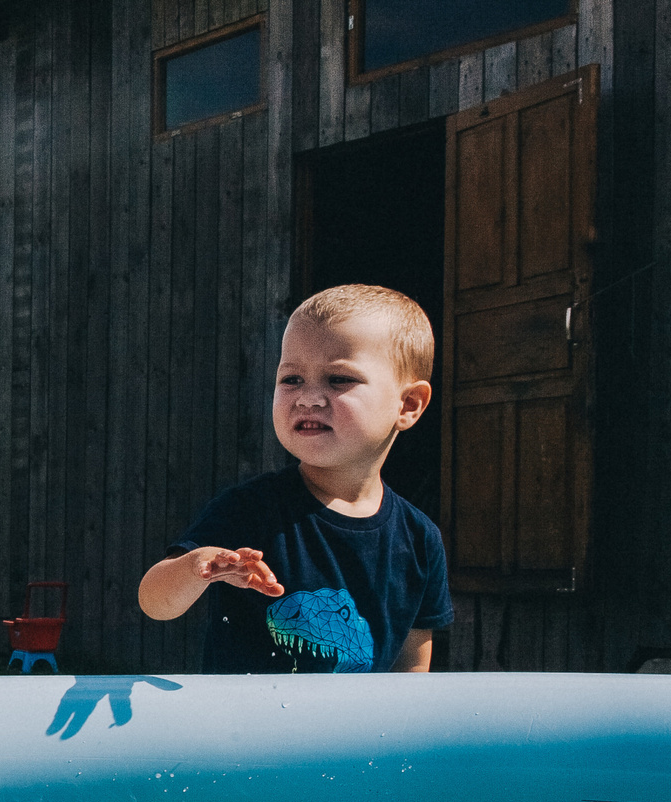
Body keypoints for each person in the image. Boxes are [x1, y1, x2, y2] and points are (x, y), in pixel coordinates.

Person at [139, 284, 450, 673]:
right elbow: (154, 602)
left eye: (338, 379)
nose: (308, 397)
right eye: (292, 379)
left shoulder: (419, 540)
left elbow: (411, 667)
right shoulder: (249, 510)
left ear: (408, 405)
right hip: (247, 732)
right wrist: (196, 566)